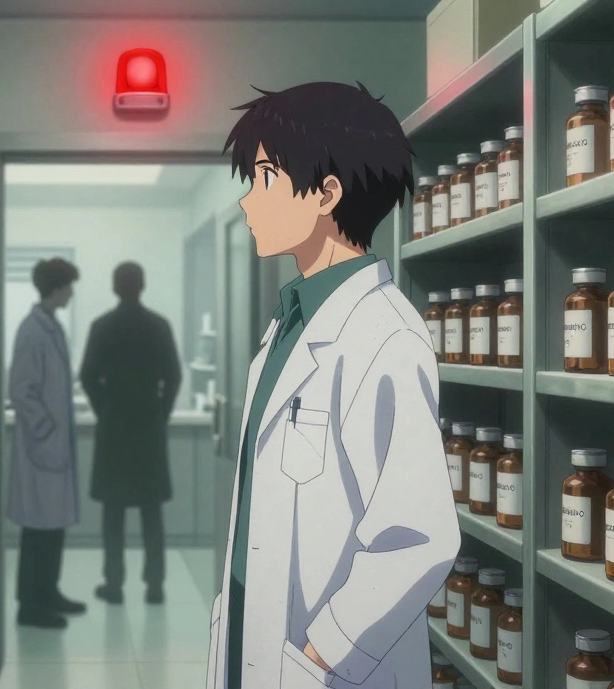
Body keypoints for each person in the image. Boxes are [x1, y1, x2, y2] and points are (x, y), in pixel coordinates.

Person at [204, 82, 461, 688]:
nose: (247, 202)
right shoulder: (288, 326)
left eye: (264, 176)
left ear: (326, 193)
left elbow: (418, 537)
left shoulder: (384, 335)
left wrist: (322, 654)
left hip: (324, 665)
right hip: (254, 638)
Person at [80, 262, 182, 605]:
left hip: (115, 429)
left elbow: (88, 376)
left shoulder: (102, 327)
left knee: (114, 512)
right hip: (148, 428)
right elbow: (174, 376)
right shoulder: (158, 326)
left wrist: (104, 409)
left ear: (114, 287)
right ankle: (155, 586)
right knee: (151, 512)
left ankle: (114, 584)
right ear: (142, 285)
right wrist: (160, 412)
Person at [7, 257, 87, 629]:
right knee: (38, 531)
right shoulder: (32, 331)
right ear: (56, 288)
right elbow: (21, 392)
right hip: (41, 450)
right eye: (69, 285)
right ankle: (30, 606)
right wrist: (47, 431)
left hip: (52, 449)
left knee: (52, 528)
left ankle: (49, 592)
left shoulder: (50, 327)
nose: (72, 292)